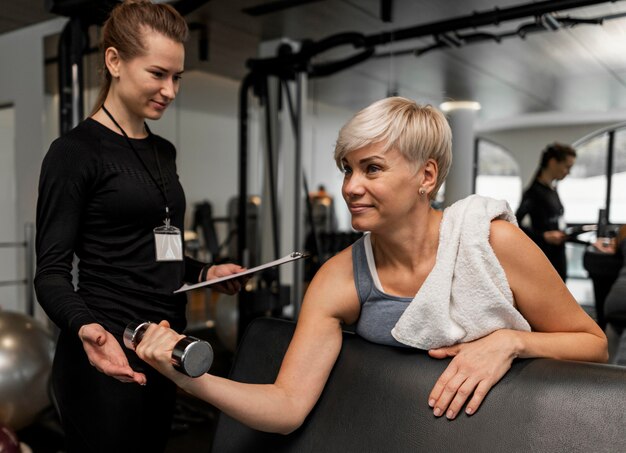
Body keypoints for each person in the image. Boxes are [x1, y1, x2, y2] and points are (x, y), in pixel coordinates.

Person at [134, 97, 607, 435]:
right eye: (347, 168)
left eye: (372, 169)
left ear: (426, 176)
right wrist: (186, 377)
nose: (350, 187)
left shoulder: (493, 242)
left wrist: (510, 342)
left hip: (507, 434)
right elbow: (286, 406)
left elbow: (594, 345)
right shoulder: (340, 276)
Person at [34, 1, 245, 452]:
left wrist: (206, 273)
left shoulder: (161, 150)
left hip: (163, 347)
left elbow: (153, 249)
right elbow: (50, 272)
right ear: (114, 61)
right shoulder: (74, 152)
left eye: (177, 77)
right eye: (157, 74)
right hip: (104, 353)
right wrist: (88, 330)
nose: (170, 90)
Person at [515, 143, 577, 281]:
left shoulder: (553, 189)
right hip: (544, 256)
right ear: (553, 162)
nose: (568, 172)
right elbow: (515, 223)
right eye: (567, 167)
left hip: (558, 254)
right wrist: (544, 236)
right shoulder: (533, 192)